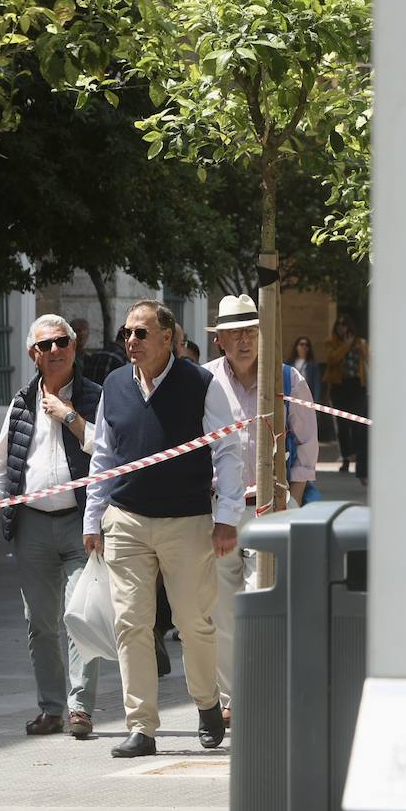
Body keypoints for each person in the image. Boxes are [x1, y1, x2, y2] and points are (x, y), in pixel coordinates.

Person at [83, 300, 244, 758]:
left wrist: (227, 518)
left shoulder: (200, 384)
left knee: (195, 623)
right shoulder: (114, 386)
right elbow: (103, 456)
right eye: (127, 333)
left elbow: (227, 453)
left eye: (141, 333)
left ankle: (208, 702)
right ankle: (141, 726)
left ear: (168, 337)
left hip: (187, 521)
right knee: (131, 623)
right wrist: (93, 517)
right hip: (127, 519)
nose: (130, 341)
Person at [0, 314, 102, 739]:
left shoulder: (94, 396)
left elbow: (107, 451)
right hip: (31, 524)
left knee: (80, 615)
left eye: (61, 342)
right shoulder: (20, 403)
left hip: (80, 522)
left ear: (74, 346)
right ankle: (51, 708)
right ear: (33, 354)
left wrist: (68, 416)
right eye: (45, 345)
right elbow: (0, 464)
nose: (54, 351)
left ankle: (80, 708)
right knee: (40, 622)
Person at [204, 295, 318, 726]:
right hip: (221, 510)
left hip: (272, 506)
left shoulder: (287, 380)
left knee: (266, 599)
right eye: (235, 333)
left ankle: (267, 687)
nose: (245, 340)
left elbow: (307, 443)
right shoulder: (207, 381)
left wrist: (295, 499)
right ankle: (233, 696)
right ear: (220, 341)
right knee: (224, 607)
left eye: (251, 331)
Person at [323, 313, 369, 483]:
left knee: (358, 425)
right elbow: (332, 359)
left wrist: (358, 348)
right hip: (339, 387)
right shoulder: (331, 342)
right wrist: (345, 346)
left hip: (357, 386)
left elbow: (369, 361)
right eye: (339, 325)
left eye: (345, 324)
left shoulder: (360, 343)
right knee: (342, 426)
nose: (342, 328)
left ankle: (359, 460)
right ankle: (345, 459)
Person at [288, 336, 322, 407]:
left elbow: (316, 384)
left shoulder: (313, 365)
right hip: (292, 396)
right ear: (296, 347)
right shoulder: (289, 363)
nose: (304, 347)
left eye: (307, 345)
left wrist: (316, 402)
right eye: (301, 344)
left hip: (307, 397)